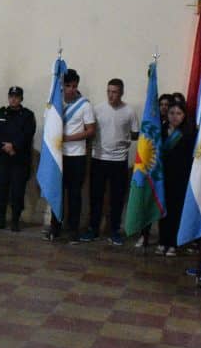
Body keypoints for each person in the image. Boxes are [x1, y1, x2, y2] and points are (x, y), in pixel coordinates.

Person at [79, 78, 138, 245]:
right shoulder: (98, 109)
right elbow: (89, 130)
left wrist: (122, 140)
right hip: (98, 158)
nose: (111, 95)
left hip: (119, 160)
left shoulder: (129, 111)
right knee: (96, 196)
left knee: (117, 198)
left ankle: (114, 231)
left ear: (121, 93)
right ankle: (93, 229)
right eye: (109, 91)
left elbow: (135, 134)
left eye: (115, 92)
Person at [52, 69, 95, 241]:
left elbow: (90, 130)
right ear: (62, 86)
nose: (71, 89)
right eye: (68, 85)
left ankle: (73, 230)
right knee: (57, 192)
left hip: (77, 156)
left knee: (74, 194)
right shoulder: (55, 103)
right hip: (58, 155)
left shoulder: (85, 105)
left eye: (74, 86)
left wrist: (68, 138)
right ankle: (55, 227)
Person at [0, 86, 37, 231]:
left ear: (21, 98)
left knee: (17, 191)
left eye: (16, 97)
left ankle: (15, 221)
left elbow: (28, 134)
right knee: (1, 191)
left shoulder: (28, 115)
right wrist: (5, 146)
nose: (13, 99)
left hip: (19, 160)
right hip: (2, 159)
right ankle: (1, 219)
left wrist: (14, 146)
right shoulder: (0, 113)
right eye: (11, 96)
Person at [157, 102, 195, 256]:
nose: (175, 116)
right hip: (163, 177)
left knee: (176, 211)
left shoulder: (189, 133)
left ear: (184, 115)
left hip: (180, 178)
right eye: (172, 113)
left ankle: (173, 243)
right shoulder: (161, 130)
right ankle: (162, 241)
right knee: (163, 210)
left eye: (179, 113)